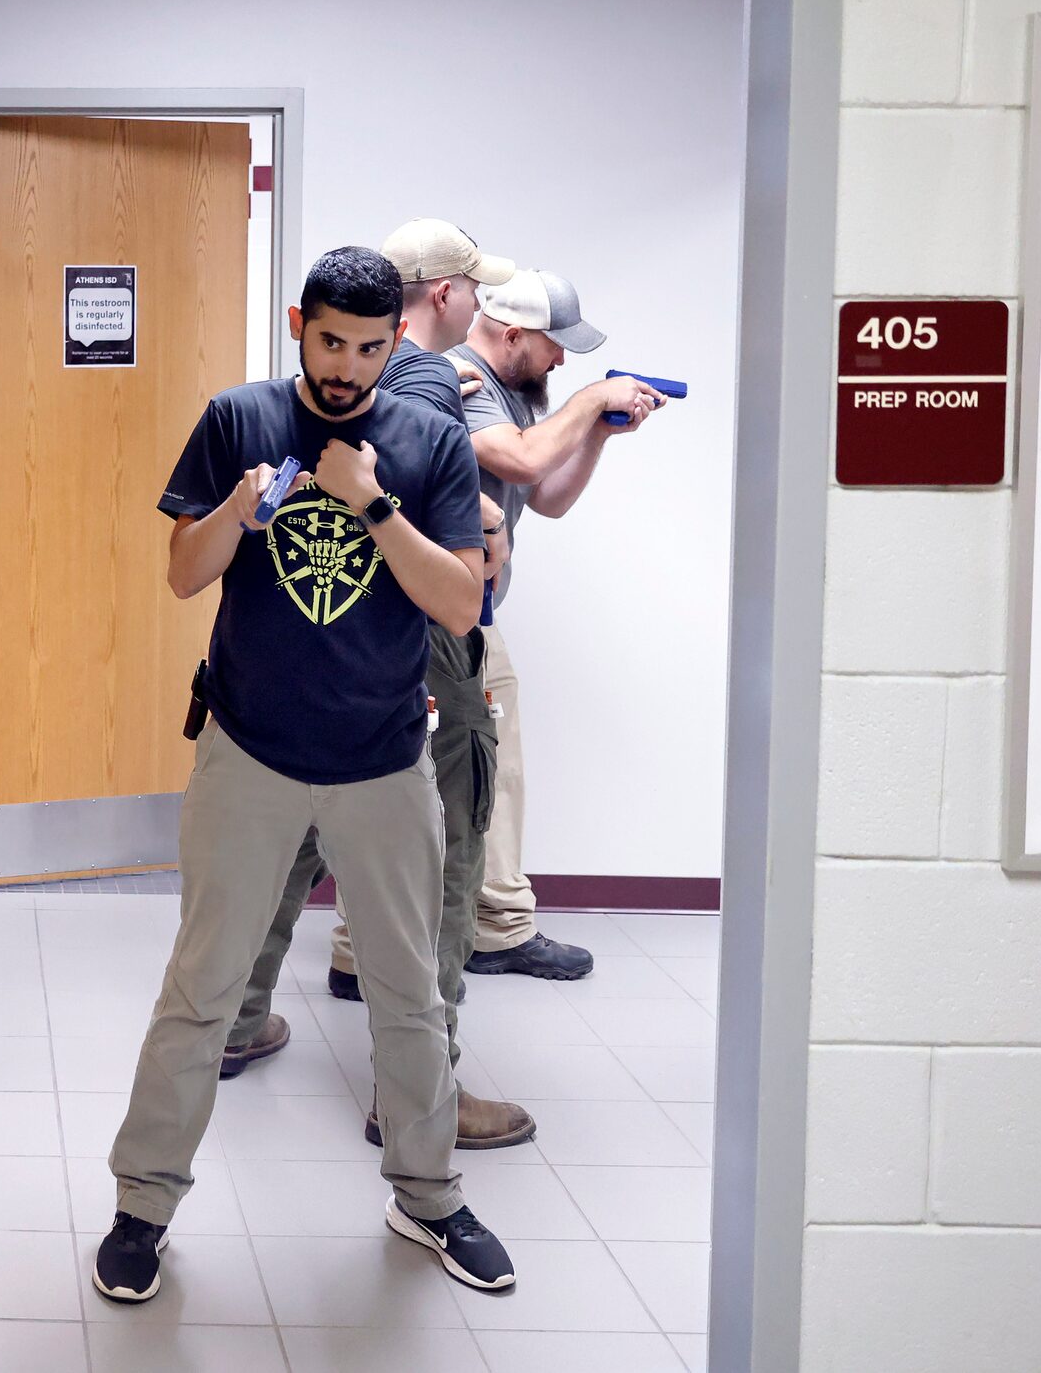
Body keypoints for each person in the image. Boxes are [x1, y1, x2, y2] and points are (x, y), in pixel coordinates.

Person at [95, 247, 517, 1306]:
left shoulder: (426, 441)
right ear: (298, 323)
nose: (346, 367)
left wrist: (373, 507)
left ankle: (428, 1199)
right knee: (202, 991)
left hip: (381, 762)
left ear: (394, 342)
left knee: (409, 999)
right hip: (249, 752)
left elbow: (460, 606)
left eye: (370, 349)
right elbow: (182, 573)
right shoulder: (239, 419)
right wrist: (236, 512)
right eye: (330, 342)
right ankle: (142, 1207)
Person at [221, 219, 542, 1154]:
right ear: (441, 295)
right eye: (474, 289)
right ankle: (419, 1089)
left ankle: (242, 1018)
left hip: (343, 663)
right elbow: (471, 514)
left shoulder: (372, 380)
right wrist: (481, 524)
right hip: (426, 648)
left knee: (301, 829)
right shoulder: (425, 380)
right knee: (446, 854)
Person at [449, 270, 666, 982]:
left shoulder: (513, 389)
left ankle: (496, 925)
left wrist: (598, 433)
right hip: (434, 615)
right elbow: (519, 456)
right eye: (554, 347)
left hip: (472, 614)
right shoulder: (462, 381)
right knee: (415, 780)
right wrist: (591, 399)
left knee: (492, 773)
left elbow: (544, 497)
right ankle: (437, 939)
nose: (562, 363)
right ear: (512, 333)